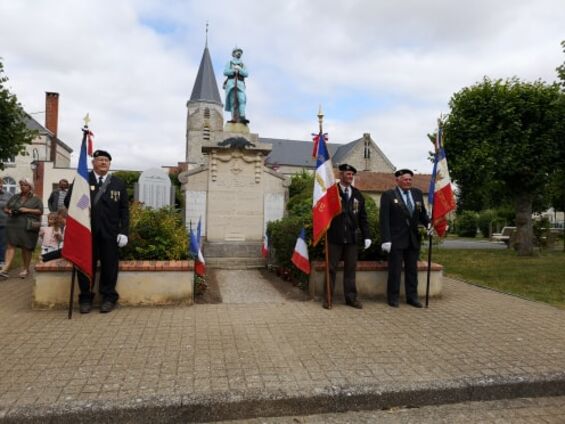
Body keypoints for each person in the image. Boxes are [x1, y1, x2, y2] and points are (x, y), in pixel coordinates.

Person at [65, 149, 129, 314]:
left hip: (110, 233)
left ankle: (108, 298)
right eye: (100, 160)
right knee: (86, 265)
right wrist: (82, 202)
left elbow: (124, 211)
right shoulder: (83, 180)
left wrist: (124, 231)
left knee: (109, 267)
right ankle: (85, 298)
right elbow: (69, 202)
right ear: (93, 163)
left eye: (106, 161)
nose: (103, 163)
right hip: (88, 232)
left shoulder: (117, 183)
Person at [379, 169, 430, 308]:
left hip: (413, 239)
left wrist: (429, 223)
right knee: (395, 270)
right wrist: (386, 239)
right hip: (396, 239)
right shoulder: (389, 195)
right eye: (405, 179)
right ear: (398, 180)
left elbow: (422, 214)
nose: (408, 182)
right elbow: (384, 219)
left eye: (410, 180)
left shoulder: (417, 193)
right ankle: (393, 297)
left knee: (412, 271)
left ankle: (412, 297)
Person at [324, 164, 371, 309]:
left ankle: (351, 298)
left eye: (351, 174)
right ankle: (328, 299)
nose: (350, 177)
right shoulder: (331, 192)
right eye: (347, 174)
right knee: (330, 268)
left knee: (350, 269)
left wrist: (367, 236)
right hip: (334, 237)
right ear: (340, 175)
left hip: (351, 238)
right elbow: (324, 212)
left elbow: (363, 217)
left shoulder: (357, 194)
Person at [0, 178, 44, 279]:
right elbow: (6, 207)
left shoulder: (36, 198)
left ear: (30, 187)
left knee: (26, 247)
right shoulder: (15, 197)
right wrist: (9, 211)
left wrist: (26, 210)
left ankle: (26, 269)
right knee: (10, 245)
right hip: (13, 224)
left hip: (27, 226)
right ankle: (5, 269)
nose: (22, 186)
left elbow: (40, 211)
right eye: (21, 185)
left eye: (25, 185)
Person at [223, 47, 249, 124]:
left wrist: (239, 69)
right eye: (237, 52)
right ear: (233, 53)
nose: (239, 53)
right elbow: (225, 72)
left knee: (242, 99)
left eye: (240, 52)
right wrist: (233, 70)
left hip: (240, 84)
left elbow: (246, 74)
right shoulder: (229, 63)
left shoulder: (243, 64)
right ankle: (233, 117)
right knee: (232, 101)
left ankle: (242, 116)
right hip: (231, 84)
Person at [0, 178, 12, 268]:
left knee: (3, 243)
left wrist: (9, 210)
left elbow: (13, 207)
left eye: (0, 184)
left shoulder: (8, 195)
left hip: (4, 222)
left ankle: (1, 263)